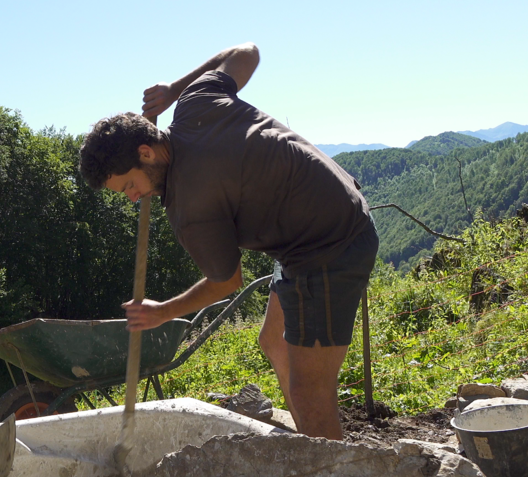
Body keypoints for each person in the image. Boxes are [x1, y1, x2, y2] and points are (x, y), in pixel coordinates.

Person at [79, 43, 377, 440]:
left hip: (329, 245)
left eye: (130, 185)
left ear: (146, 152)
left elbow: (226, 282)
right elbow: (247, 52)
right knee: (273, 342)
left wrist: (162, 312)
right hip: (317, 218)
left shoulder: (191, 207)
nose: (134, 198)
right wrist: (176, 89)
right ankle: (314, 443)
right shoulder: (195, 103)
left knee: (310, 393)